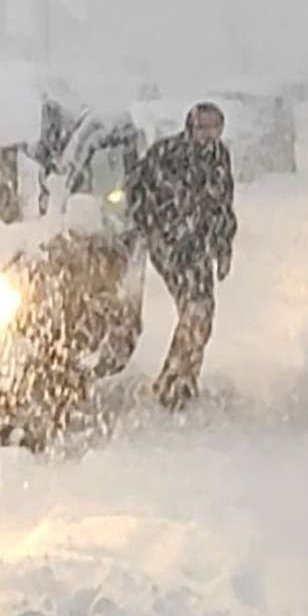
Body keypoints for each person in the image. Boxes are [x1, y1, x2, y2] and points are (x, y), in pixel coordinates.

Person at [124, 102, 237, 409]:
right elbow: (136, 191)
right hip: (170, 245)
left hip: (199, 246)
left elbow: (223, 204)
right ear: (190, 126)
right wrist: (150, 230)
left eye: (215, 127)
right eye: (203, 127)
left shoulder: (219, 158)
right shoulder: (166, 154)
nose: (209, 134)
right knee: (194, 308)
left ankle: (184, 377)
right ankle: (173, 381)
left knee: (202, 312)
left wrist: (224, 246)